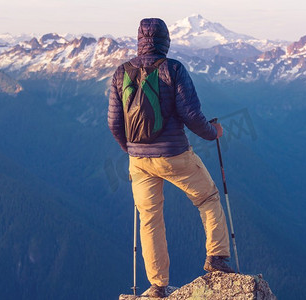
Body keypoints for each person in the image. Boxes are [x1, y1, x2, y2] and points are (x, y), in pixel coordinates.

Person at [108, 18, 234, 298]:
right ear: (165, 41)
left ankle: (157, 286)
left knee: (150, 219)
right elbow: (191, 116)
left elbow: (114, 124)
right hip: (174, 155)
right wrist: (214, 132)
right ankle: (217, 256)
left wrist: (130, 150)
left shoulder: (121, 73)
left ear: (139, 40)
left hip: (139, 161)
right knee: (208, 198)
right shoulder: (173, 69)